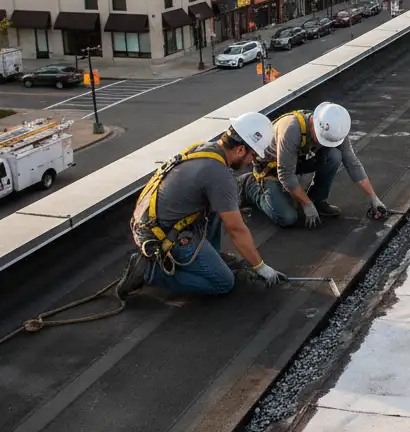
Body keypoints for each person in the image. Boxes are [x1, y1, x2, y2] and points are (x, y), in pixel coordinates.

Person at [116, 112, 286, 298]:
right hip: (162, 235)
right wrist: (260, 266)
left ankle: (210, 256)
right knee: (223, 282)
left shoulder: (205, 149)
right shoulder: (219, 175)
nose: (251, 161)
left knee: (223, 204)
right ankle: (150, 272)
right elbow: (236, 229)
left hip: (150, 221)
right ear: (240, 150)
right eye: (252, 154)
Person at [241, 102, 388, 227]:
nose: (322, 144)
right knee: (287, 218)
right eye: (320, 139)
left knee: (334, 155)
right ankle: (249, 186)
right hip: (271, 169)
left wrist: (373, 198)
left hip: (295, 162)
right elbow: (285, 174)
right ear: (314, 124)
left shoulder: (336, 129)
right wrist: (306, 204)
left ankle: (318, 199)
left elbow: (352, 163)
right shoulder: (291, 129)